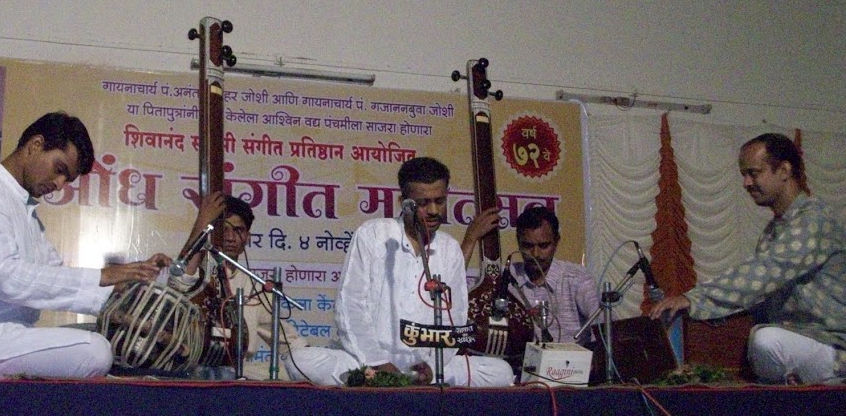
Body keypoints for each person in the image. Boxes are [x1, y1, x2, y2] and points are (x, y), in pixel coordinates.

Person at [0, 111, 167, 380]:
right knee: (95, 350)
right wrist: (103, 276)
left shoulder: (26, 212)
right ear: (35, 145)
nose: (59, 184)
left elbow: (54, 275)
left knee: (97, 338)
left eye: (67, 180)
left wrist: (123, 291)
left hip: (5, 339)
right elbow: (6, 277)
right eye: (59, 170)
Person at [285, 157, 514, 387]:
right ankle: (383, 378)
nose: (434, 210)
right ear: (404, 202)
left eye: (440, 201)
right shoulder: (374, 235)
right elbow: (351, 307)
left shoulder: (449, 249)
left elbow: (452, 318)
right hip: (366, 361)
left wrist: (433, 368)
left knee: (500, 372)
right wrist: (378, 362)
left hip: (422, 368)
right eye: (423, 203)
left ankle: (406, 382)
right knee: (301, 361)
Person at [650, 133, 846, 385]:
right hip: (799, 340)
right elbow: (760, 295)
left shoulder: (815, 219)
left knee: (766, 341)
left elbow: (764, 274)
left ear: (784, 170)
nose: (746, 183)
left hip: (831, 344)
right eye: (744, 174)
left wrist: (694, 299)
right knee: (759, 340)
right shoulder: (775, 229)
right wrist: (709, 317)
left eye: (754, 173)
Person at [169, 191, 307, 380]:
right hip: (191, 366)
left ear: (247, 237)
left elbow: (288, 340)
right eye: (224, 229)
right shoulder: (197, 271)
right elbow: (180, 280)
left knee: (286, 373)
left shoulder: (254, 286)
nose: (231, 237)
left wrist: (320, 362)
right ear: (212, 232)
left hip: (236, 371)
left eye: (238, 230)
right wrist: (202, 223)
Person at [461, 205, 600, 345]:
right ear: (518, 242)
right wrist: (470, 239)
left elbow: (606, 326)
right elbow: (453, 285)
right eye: (528, 246)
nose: (536, 254)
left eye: (544, 246)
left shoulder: (577, 278)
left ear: (556, 241)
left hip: (570, 364)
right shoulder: (504, 277)